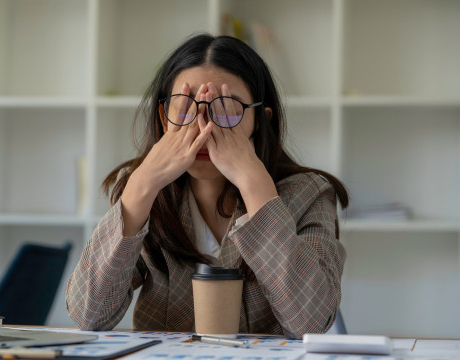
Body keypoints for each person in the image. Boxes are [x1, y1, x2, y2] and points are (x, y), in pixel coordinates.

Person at [66, 34, 348, 338]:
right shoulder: (143, 191)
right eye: (185, 106)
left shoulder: (310, 193)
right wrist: (141, 185)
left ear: (260, 121)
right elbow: (88, 315)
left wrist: (256, 187)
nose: (203, 126)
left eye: (226, 108)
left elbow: (311, 322)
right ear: (163, 118)